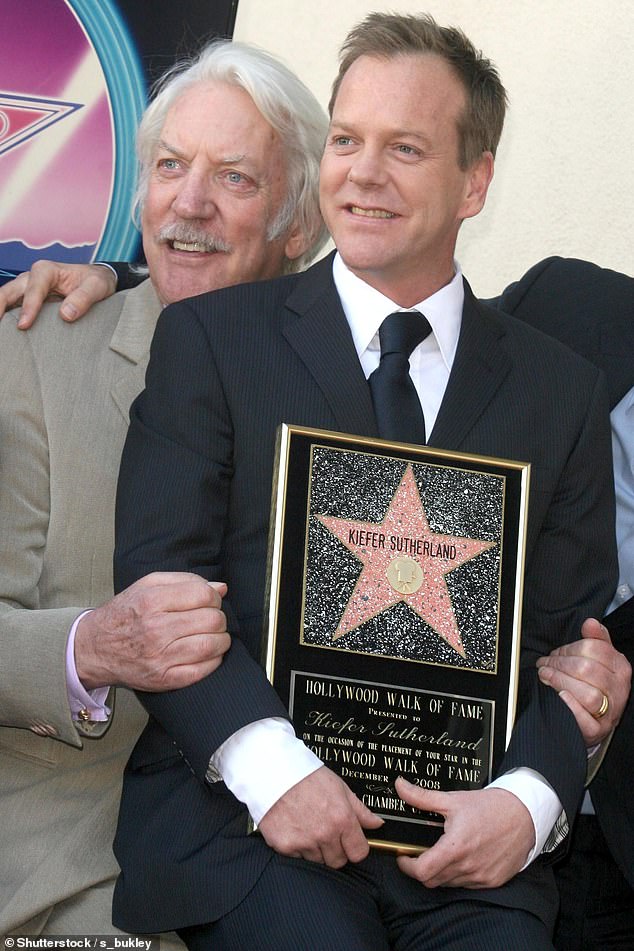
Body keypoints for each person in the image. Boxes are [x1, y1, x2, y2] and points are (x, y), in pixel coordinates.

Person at [106, 13, 618, 949]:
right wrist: (273, 772)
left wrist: (528, 801)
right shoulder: (214, 342)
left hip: (465, 860)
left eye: (406, 148)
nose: (363, 172)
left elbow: (563, 651)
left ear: (476, 181)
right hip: (247, 830)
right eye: (346, 140)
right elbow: (158, 586)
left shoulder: (561, 393)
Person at [0, 39, 328, 937]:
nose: (190, 202)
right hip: (81, 875)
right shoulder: (33, 352)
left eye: (234, 178)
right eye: (171, 167)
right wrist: (90, 647)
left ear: (298, 225)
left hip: (315, 863)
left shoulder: (360, 389)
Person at [493, 256, 634, 948]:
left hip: (616, 859)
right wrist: (130, 279)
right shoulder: (571, 304)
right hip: (474, 805)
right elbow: (398, 327)